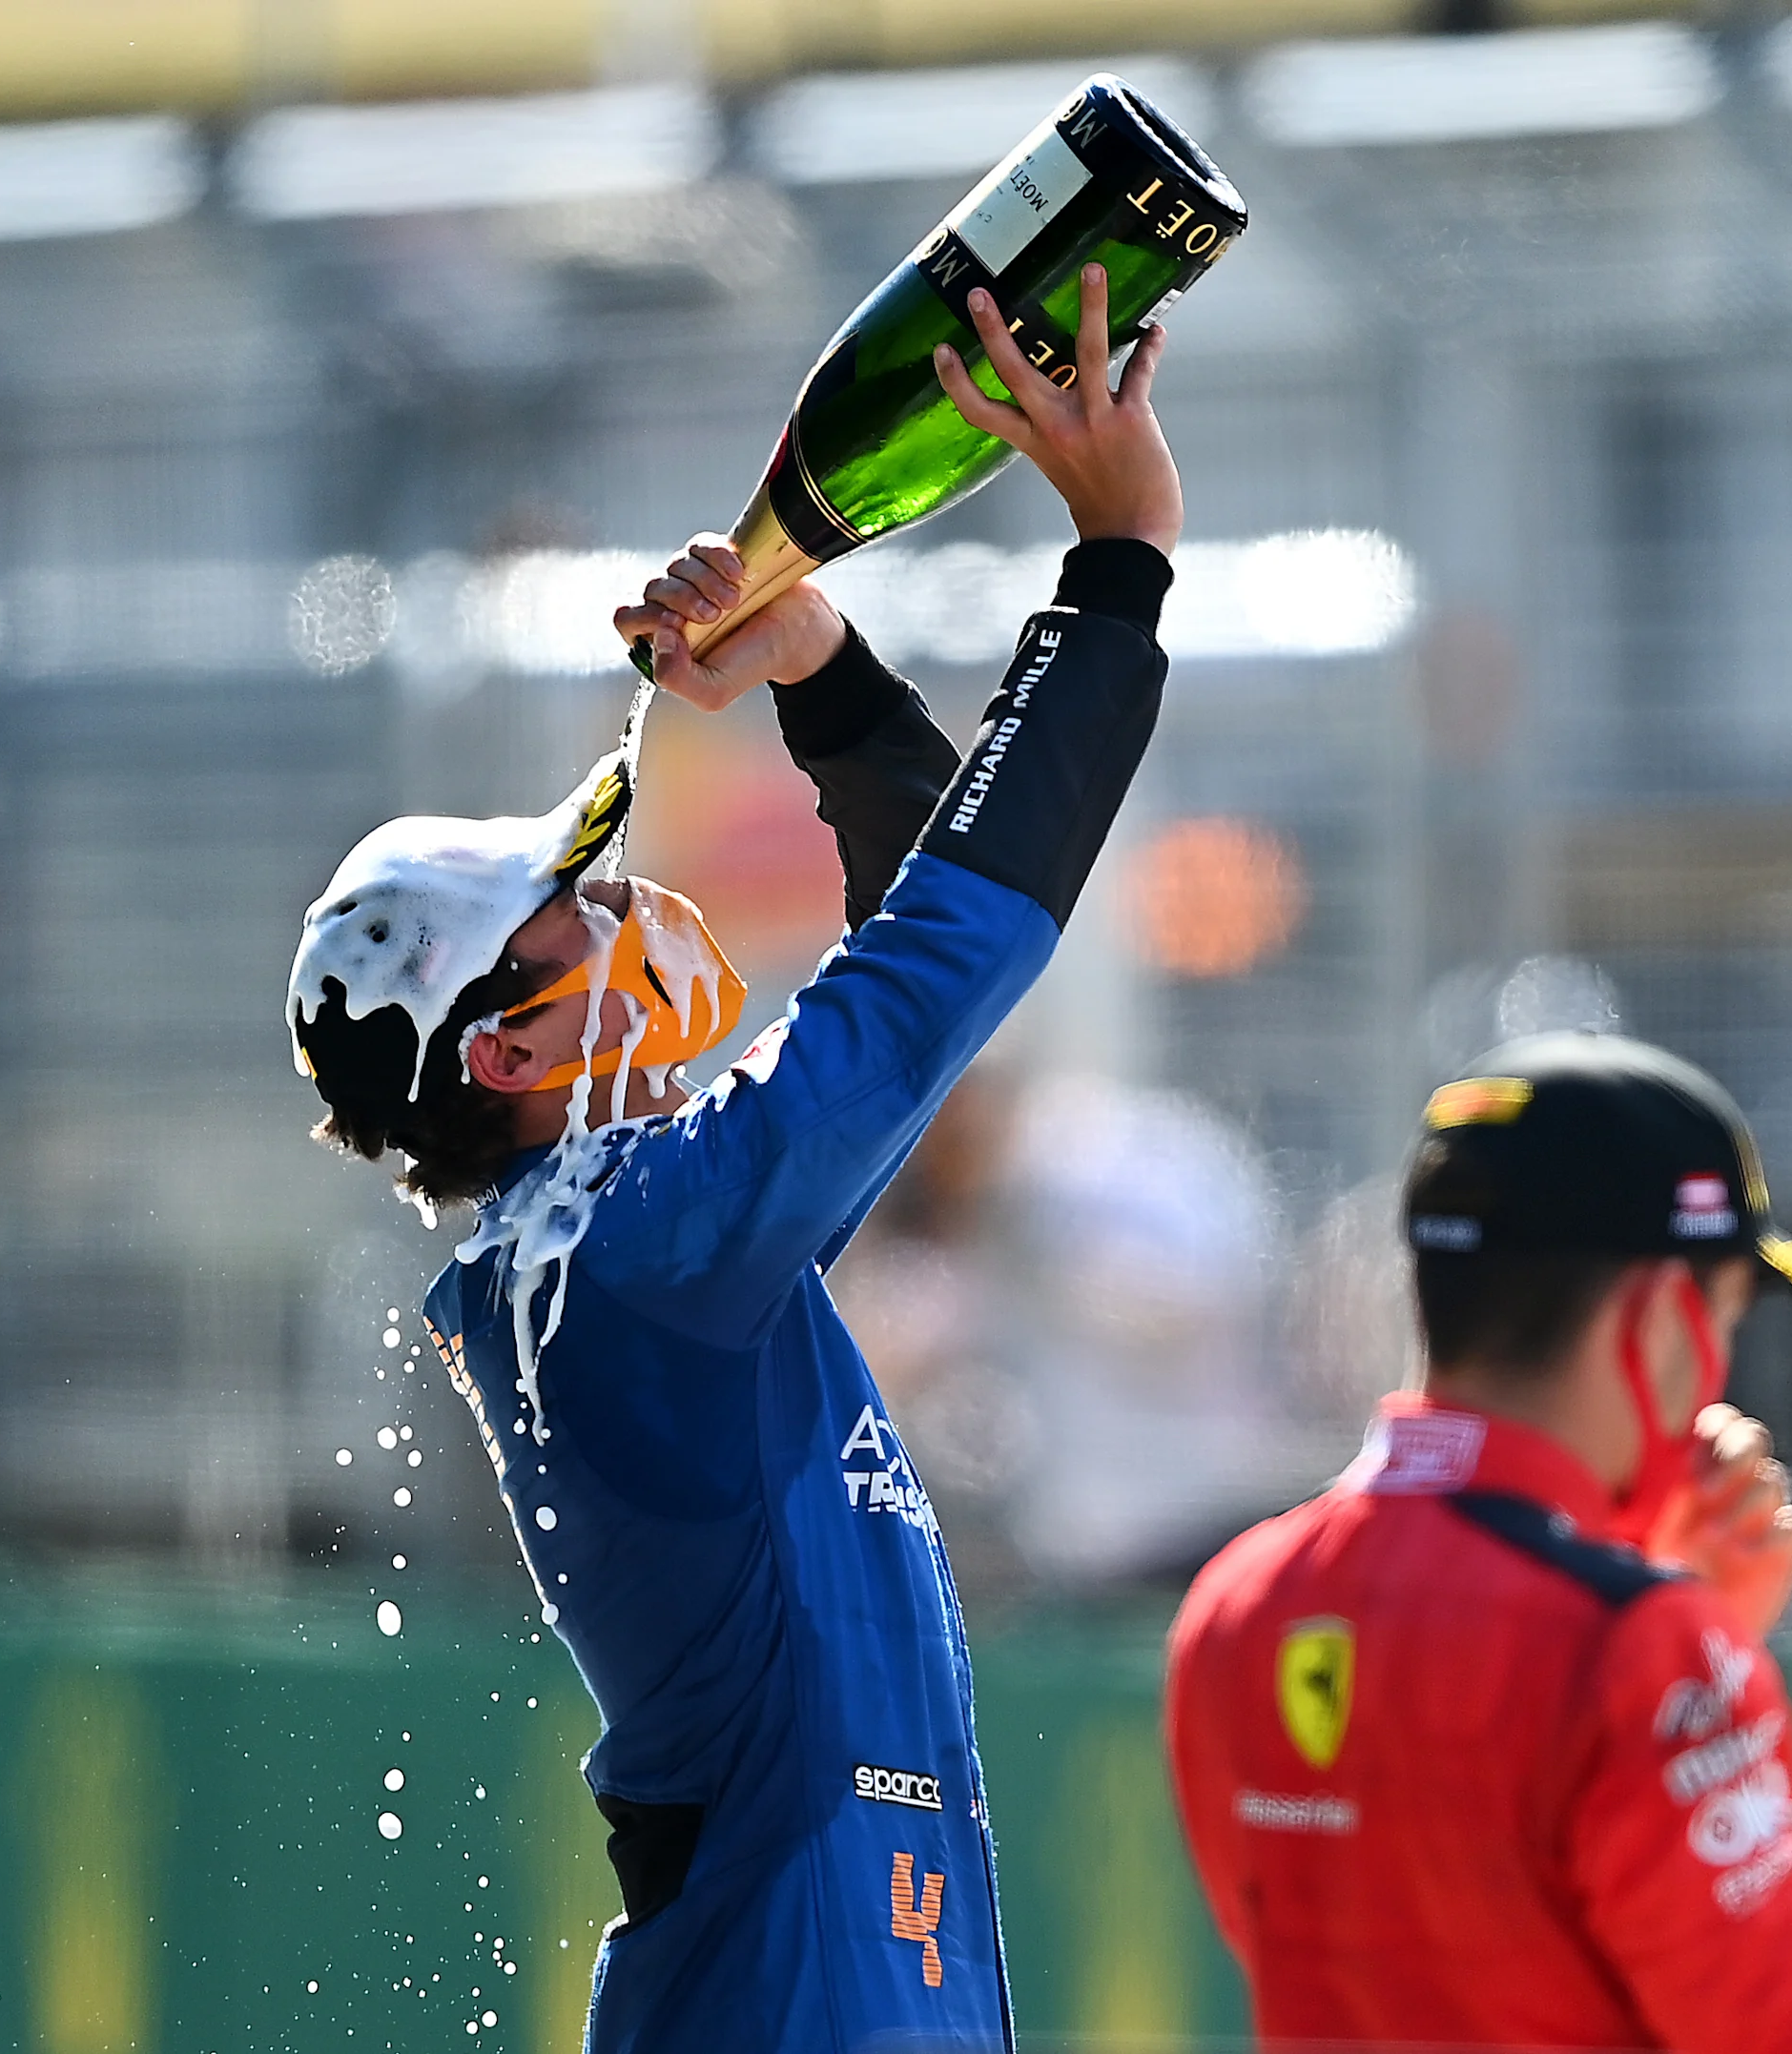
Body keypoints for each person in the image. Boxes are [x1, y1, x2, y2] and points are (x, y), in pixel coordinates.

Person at [286, 272, 1179, 2053]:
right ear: (505, 1051)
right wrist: (1118, 567)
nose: (624, 906)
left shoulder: (614, 1242)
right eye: (569, 911)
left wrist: (823, 675)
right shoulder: (636, 1245)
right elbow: (940, 963)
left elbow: (922, 959)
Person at [1165, 1032, 1792, 2054]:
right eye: (1728, 1318)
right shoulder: (1628, 1646)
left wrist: (1660, 1591)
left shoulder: (1238, 1600)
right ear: (1666, 1314)